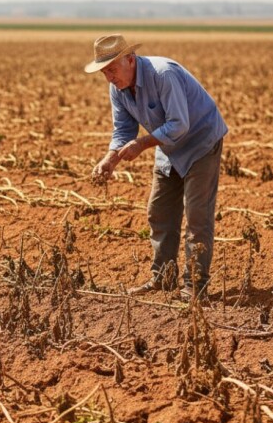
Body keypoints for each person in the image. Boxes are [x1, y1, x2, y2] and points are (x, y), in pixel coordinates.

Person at [86, 34, 228, 301]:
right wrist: (110, 159)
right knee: (159, 211)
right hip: (168, 148)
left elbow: (179, 124)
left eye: (112, 70)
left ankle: (195, 287)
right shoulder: (117, 88)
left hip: (200, 142)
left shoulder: (163, 74)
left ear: (130, 59)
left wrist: (141, 144)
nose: (109, 78)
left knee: (197, 217)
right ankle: (162, 279)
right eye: (104, 73)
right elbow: (124, 129)